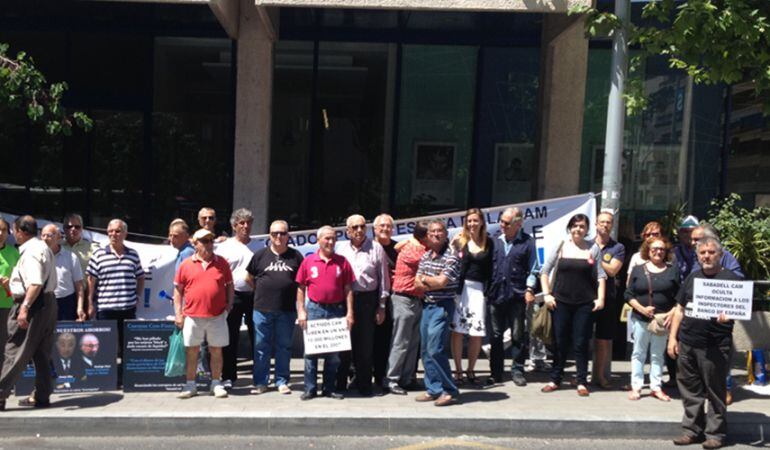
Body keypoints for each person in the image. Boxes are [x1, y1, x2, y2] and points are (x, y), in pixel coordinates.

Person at [668, 237, 741, 450]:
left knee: (715, 390)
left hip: (715, 346)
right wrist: (673, 338)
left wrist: (730, 316)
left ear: (720, 255)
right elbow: (679, 310)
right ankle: (691, 431)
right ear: (698, 256)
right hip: (688, 343)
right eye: (703, 253)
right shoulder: (692, 278)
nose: (706, 256)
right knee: (690, 390)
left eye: (711, 252)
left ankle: (715, 434)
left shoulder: (731, 279)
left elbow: (741, 310)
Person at [540, 213, 606, 397]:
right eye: (575, 225)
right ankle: (555, 379)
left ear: (587, 230)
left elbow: (601, 276)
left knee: (580, 343)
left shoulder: (593, 249)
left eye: (582, 226)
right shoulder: (561, 245)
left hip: (584, 304)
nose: (578, 229)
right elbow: (544, 271)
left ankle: (581, 381)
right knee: (560, 342)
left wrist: (600, 299)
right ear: (570, 227)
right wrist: (547, 295)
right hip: (560, 302)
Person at [0, 215, 57, 411]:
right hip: (47, 303)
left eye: (14, 231)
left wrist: (24, 308)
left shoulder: (32, 251)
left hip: (32, 303)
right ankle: (42, 396)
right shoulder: (42, 247)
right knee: (41, 353)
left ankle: (0, 394)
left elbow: (35, 283)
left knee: (14, 349)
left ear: (20, 231)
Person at [296, 226, 355, 401]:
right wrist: (301, 310)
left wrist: (350, 312)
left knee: (334, 354)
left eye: (333, 238)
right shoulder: (308, 262)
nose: (330, 242)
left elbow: (348, 289)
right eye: (327, 238)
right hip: (315, 309)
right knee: (310, 352)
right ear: (319, 240)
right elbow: (300, 288)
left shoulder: (342, 262)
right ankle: (310, 388)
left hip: (337, 310)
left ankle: (329, 388)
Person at [174, 228, 234, 399]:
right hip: (192, 316)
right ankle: (190, 385)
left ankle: (216, 383)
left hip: (217, 315)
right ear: (195, 244)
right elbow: (178, 290)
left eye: (210, 241)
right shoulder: (186, 264)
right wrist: (178, 313)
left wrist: (229, 304)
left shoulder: (222, 262)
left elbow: (229, 285)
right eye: (204, 241)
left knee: (216, 350)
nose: (208, 244)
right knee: (192, 351)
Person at [245, 220, 303, 395]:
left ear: (288, 236)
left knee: (283, 346)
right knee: (261, 346)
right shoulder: (260, 255)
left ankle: (282, 381)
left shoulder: (296, 256)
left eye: (283, 233)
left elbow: (302, 283)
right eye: (275, 233)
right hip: (262, 309)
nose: (279, 236)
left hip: (286, 310)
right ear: (269, 235)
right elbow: (249, 278)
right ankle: (261, 382)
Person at [336, 215, 390, 396]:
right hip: (345, 300)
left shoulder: (376, 248)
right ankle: (341, 384)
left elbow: (384, 279)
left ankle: (364, 385)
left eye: (362, 226)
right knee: (344, 345)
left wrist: (381, 306)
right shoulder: (341, 249)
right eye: (355, 227)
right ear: (347, 231)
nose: (359, 230)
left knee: (365, 345)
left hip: (368, 300)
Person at [486, 207, 539, 386]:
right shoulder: (494, 241)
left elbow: (533, 268)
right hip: (496, 294)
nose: (502, 225)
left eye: (507, 223)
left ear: (518, 224)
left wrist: (530, 289)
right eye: (501, 221)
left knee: (517, 335)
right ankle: (496, 372)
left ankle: (517, 370)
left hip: (516, 295)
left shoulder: (528, 242)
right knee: (495, 335)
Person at [413, 219, 462, 407]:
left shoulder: (452, 256)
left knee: (435, 348)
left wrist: (426, 280)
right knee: (425, 349)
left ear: (445, 234)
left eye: (439, 231)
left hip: (443, 305)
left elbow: (442, 282)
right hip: (427, 305)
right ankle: (433, 388)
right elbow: (416, 283)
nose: (435, 234)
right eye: (432, 232)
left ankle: (449, 390)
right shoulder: (426, 256)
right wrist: (428, 281)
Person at [625, 236, 679, 401]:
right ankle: (637, 386)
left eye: (662, 249)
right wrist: (641, 309)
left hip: (662, 321)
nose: (658, 251)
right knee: (638, 353)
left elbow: (679, 297)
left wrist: (671, 313)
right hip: (641, 318)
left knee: (657, 355)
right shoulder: (638, 269)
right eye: (654, 248)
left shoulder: (672, 270)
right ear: (648, 251)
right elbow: (628, 294)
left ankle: (656, 387)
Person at [384, 220, 429, 395]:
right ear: (424, 237)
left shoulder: (412, 245)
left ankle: (407, 378)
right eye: (431, 235)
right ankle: (392, 379)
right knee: (400, 342)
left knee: (412, 343)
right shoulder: (415, 251)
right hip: (403, 299)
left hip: (416, 300)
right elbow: (429, 260)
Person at [87, 219, 144, 356]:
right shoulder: (98, 254)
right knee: (106, 346)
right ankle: (107, 376)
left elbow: (140, 277)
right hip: (105, 309)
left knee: (126, 346)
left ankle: (123, 376)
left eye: (118, 231)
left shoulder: (133, 254)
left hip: (128, 309)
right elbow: (91, 280)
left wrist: (138, 296)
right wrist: (89, 303)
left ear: (125, 233)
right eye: (110, 231)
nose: (114, 234)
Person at [215, 208, 258, 389]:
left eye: (248, 223)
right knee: (230, 336)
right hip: (232, 297)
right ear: (234, 226)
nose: (245, 226)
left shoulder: (260, 246)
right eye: (241, 223)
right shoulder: (224, 247)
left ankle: (260, 376)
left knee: (257, 336)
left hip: (255, 296)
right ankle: (228, 376)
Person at [449, 208, 493, 385]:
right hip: (461, 290)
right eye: (469, 221)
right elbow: (451, 263)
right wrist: (453, 247)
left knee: (476, 332)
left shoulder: (489, 242)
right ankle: (458, 370)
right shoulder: (459, 241)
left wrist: (488, 291)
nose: (472, 224)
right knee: (458, 331)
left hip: (479, 290)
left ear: (481, 222)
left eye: (475, 220)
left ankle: (470, 369)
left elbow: (491, 268)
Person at [592, 211, 626, 389]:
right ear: (596, 224)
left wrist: (594, 257)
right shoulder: (586, 243)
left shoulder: (618, 247)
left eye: (608, 223)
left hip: (608, 298)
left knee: (603, 339)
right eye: (602, 222)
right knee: (582, 338)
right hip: (586, 296)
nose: (605, 225)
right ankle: (583, 375)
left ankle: (600, 376)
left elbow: (612, 271)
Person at [41, 224, 85, 321]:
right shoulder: (37, 257)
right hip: (43, 302)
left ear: (58, 237)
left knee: (65, 336)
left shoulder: (71, 257)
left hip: (66, 303)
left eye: (48, 235)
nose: (45, 238)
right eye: (42, 235)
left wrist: (80, 307)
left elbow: (79, 285)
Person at [372, 213, 397, 390]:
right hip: (366, 298)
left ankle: (380, 376)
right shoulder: (367, 247)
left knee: (383, 338)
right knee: (363, 339)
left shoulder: (398, 249)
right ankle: (357, 374)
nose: (385, 229)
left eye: (388, 226)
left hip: (389, 299)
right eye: (381, 226)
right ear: (374, 229)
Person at [61, 213, 97, 317]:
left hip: (84, 294)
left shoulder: (91, 248)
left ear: (82, 229)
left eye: (77, 226)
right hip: (63, 295)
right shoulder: (57, 246)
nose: (73, 229)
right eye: (69, 226)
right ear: (64, 229)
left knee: (82, 330)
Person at [0, 217, 20, 374]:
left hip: (8, 305)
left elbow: (21, 280)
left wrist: (9, 285)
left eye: (4, 230)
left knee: (6, 344)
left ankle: (4, 379)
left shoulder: (14, 253)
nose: (0, 233)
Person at [673, 215, 700, 283]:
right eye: (685, 231)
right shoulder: (672, 253)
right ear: (679, 233)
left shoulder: (711, 252)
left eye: (692, 231)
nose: (689, 234)